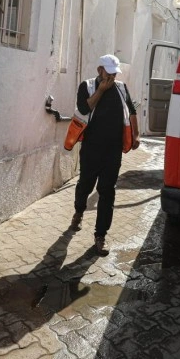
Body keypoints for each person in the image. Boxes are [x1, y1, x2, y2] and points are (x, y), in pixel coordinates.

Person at [69, 54, 140, 256]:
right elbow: (84, 108)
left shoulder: (121, 88)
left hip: (113, 150)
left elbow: (132, 111)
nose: (112, 76)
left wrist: (136, 134)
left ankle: (100, 236)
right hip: (91, 148)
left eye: (114, 73)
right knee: (85, 185)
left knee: (107, 191)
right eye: (108, 72)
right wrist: (101, 91)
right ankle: (79, 211)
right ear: (99, 70)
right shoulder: (87, 86)